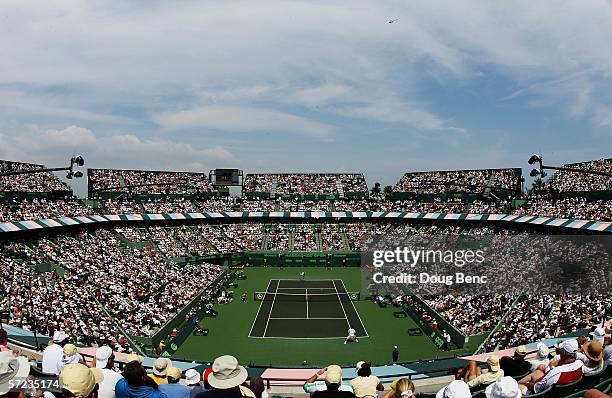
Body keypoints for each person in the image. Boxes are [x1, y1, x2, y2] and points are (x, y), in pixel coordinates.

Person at [518, 339, 583, 395]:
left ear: (564, 352)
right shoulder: (580, 364)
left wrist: (527, 384)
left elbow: (536, 388)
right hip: (562, 392)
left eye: (561, 350)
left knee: (517, 385)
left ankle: (517, 383)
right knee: (537, 372)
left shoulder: (556, 373)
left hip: (541, 394)